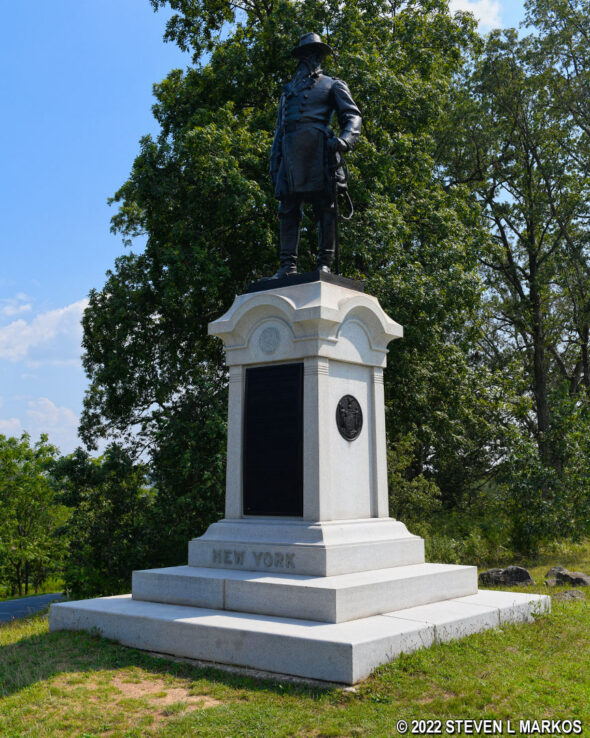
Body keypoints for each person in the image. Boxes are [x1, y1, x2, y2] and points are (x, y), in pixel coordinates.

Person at [268, 32, 362, 278]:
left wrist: (345, 139)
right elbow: (280, 128)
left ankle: (324, 263)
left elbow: (352, 116)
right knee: (287, 208)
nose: (308, 59)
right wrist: (274, 162)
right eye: (304, 54)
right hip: (290, 154)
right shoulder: (287, 92)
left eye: (312, 54)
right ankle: (287, 265)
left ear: (319, 57)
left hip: (319, 151)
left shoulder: (333, 84)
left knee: (325, 208)